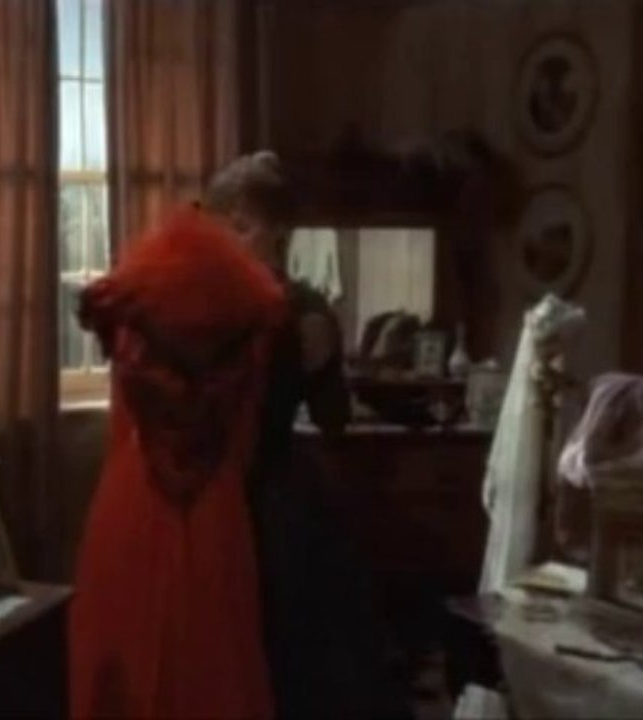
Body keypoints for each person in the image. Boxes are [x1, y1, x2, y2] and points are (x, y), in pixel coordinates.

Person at [205, 152, 412, 720]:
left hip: (271, 498)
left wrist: (317, 362)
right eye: (222, 228)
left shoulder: (301, 310)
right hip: (213, 491)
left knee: (287, 642)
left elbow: (331, 416)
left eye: (242, 227)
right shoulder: (212, 303)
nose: (229, 242)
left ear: (278, 231)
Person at [69, 199, 286, 717]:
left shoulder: (129, 319)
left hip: (134, 495)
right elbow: (247, 431)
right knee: (214, 655)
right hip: (215, 502)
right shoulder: (247, 325)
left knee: (127, 647)